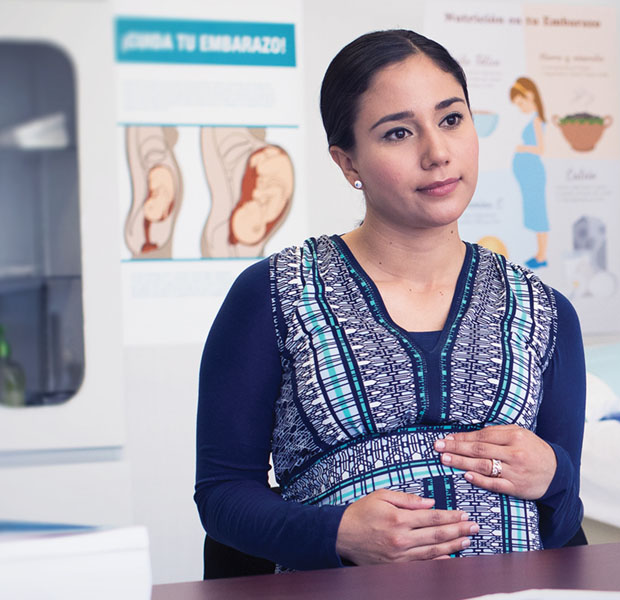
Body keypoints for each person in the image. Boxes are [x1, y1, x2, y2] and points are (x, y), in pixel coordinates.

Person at [194, 29, 586, 572]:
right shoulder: (274, 294)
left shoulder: (545, 310)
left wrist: (555, 475)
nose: (437, 152)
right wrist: (337, 532)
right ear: (348, 163)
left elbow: (565, 523)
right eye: (398, 133)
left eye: (451, 119)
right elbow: (221, 495)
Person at [509, 77, 550, 269]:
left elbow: (540, 149)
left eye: (521, 103)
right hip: (527, 174)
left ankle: (542, 255)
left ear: (530, 95)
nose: (520, 107)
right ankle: (539, 253)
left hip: (533, 172)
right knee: (533, 211)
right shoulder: (530, 120)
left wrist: (522, 148)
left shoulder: (536, 121)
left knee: (538, 211)